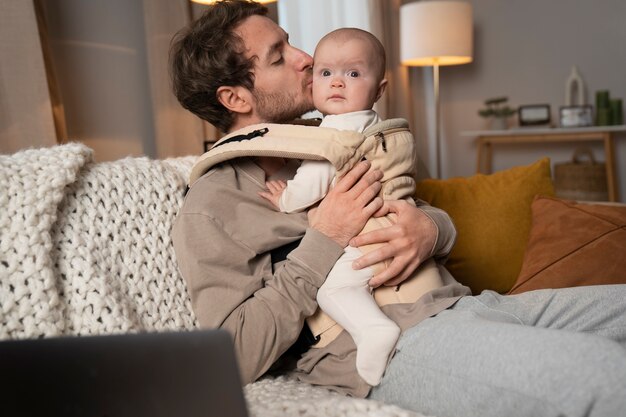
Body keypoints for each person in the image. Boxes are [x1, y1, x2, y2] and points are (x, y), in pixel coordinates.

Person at [169, 2, 626, 417]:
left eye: (290, 41)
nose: (306, 57)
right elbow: (235, 353)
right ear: (235, 98)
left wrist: (432, 229)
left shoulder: (338, 133)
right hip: (400, 345)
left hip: (469, 304)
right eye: (278, 55)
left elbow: (414, 202)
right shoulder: (214, 204)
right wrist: (325, 236)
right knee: (601, 374)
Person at [258, 27, 414, 386]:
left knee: (334, 290)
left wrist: (284, 198)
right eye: (326, 73)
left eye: (353, 74)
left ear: (380, 89)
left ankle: (373, 330)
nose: (337, 83)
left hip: (367, 240)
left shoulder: (332, 133)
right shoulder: (373, 126)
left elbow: (311, 183)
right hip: (390, 230)